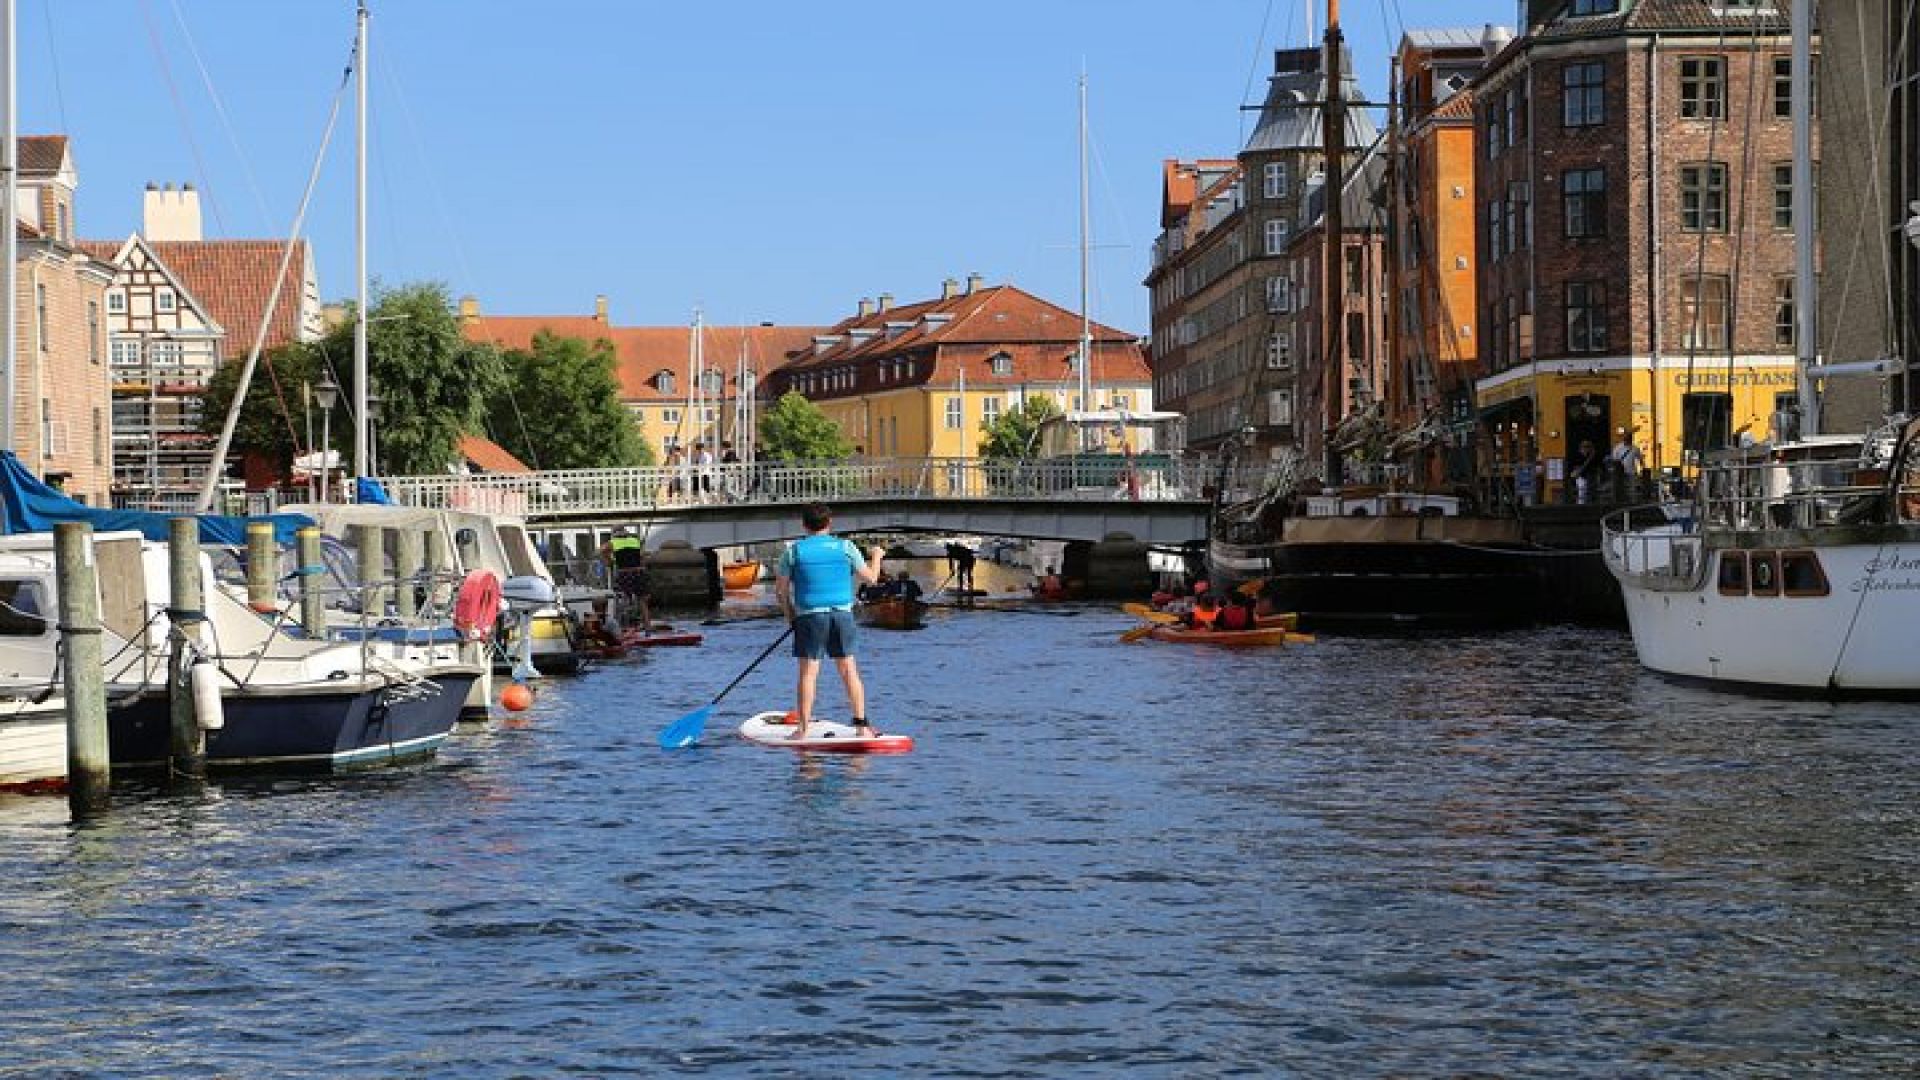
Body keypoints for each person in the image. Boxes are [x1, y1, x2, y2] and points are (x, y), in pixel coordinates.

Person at [776, 502, 886, 740]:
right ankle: (861, 726)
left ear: (804, 525)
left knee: (808, 673)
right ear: (829, 523)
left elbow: (782, 593)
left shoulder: (793, 552)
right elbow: (872, 578)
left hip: (809, 616)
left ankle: (802, 730)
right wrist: (876, 556)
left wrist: (790, 618)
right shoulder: (846, 547)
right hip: (841, 615)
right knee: (849, 670)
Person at [603, 527, 654, 635]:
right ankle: (648, 630)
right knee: (643, 602)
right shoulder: (635, 541)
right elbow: (643, 557)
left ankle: (624, 629)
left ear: (614, 534)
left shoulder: (612, 543)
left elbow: (603, 550)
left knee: (623, 600)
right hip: (639, 573)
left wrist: (609, 561)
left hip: (625, 573)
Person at [1569, 439, 1601, 505]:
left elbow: (1598, 467)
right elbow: (1573, 467)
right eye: (1585, 446)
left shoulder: (1594, 457)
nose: (1586, 448)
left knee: (1592, 494)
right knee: (1582, 494)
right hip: (1581, 477)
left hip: (1592, 478)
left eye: (1588, 446)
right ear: (1581, 447)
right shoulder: (1577, 456)